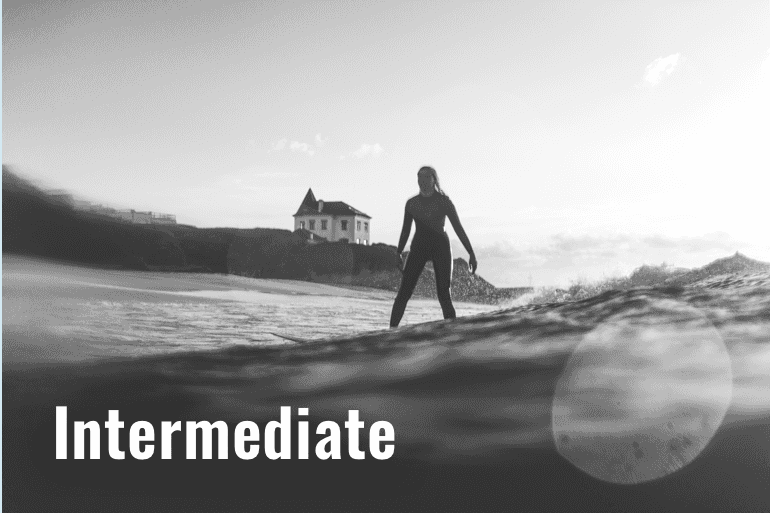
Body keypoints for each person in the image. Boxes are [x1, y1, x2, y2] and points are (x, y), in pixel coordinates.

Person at [389, 166, 478, 328]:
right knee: (403, 293)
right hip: (419, 247)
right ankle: (390, 332)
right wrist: (399, 252)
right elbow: (405, 230)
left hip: (440, 247)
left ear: (434, 180)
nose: (422, 182)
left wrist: (471, 252)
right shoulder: (411, 203)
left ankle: (452, 333)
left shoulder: (444, 201)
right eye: (419, 179)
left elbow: (458, 228)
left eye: (426, 178)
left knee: (444, 294)